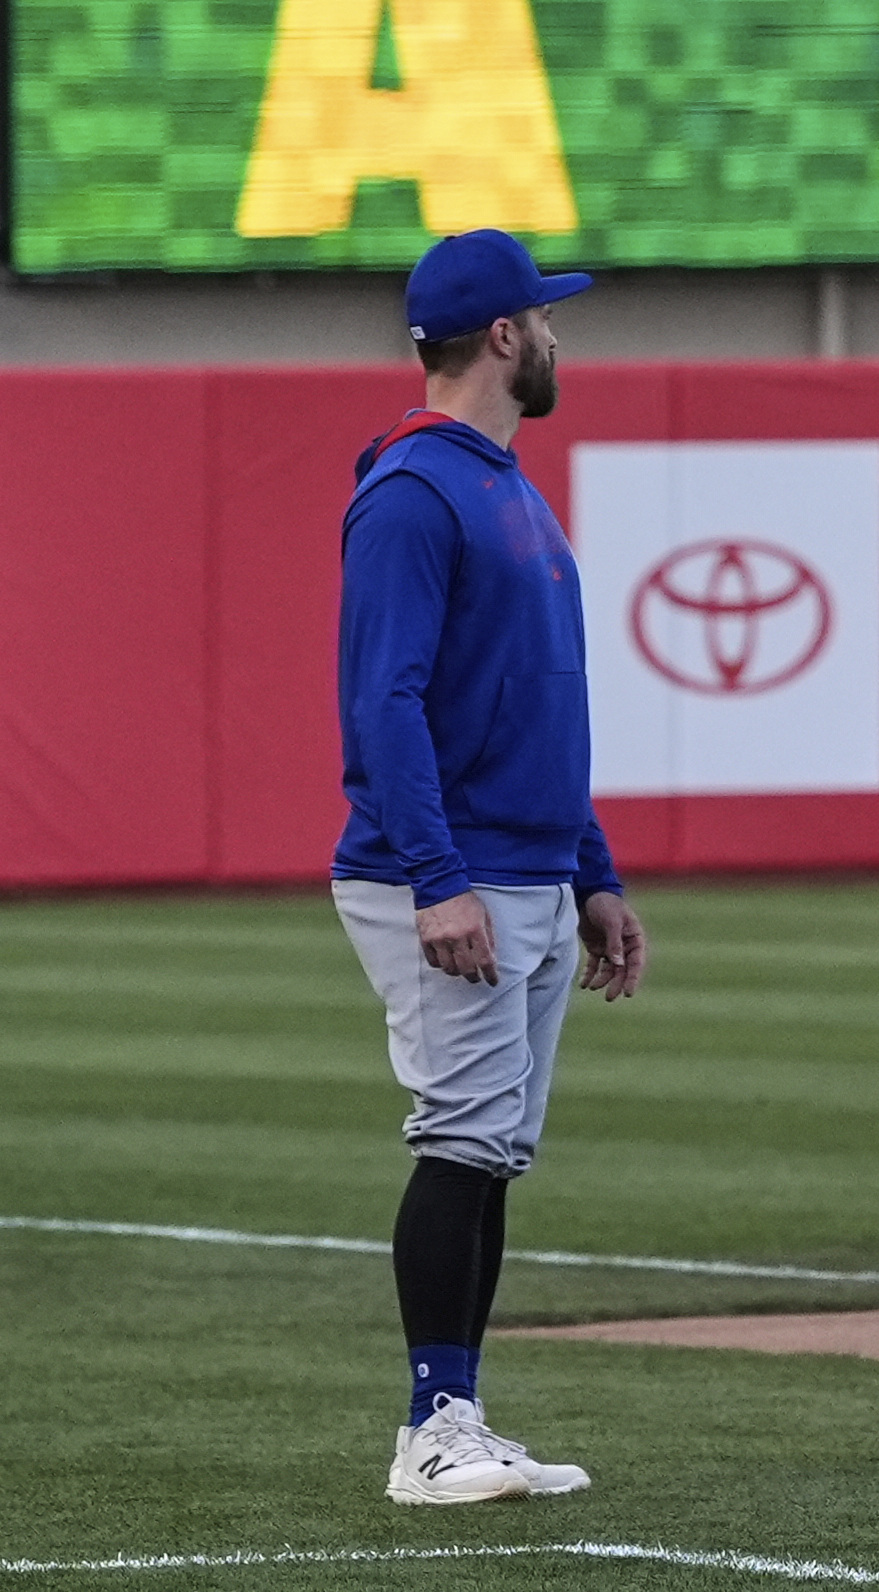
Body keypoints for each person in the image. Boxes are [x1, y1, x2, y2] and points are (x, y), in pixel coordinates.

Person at [334, 228, 649, 1506]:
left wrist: (595, 872)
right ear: (506, 337)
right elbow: (384, 702)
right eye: (548, 316)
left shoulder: (511, 489)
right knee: (461, 1135)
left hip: (523, 863)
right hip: (448, 874)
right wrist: (434, 876)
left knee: (495, 1146)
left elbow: (542, 708)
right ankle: (427, 1434)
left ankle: (461, 1410)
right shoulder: (416, 491)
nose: (562, 335)